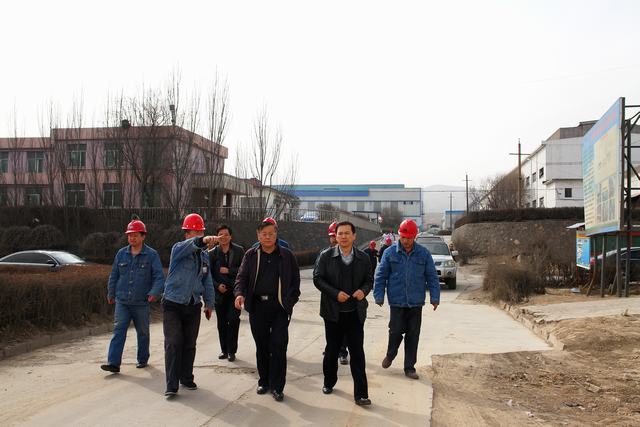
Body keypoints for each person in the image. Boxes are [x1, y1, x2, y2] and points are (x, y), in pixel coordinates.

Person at [234, 218, 301, 402]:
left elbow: (295, 281)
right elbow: (241, 277)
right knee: (262, 346)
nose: (268, 237)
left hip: (279, 307)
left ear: (276, 234)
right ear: (258, 236)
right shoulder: (251, 255)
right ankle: (264, 381)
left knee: (278, 346)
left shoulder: (287, 255)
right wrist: (239, 294)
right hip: (257, 307)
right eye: (264, 234)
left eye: (271, 233)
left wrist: (290, 301)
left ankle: (278, 387)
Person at [313, 221, 372, 406]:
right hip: (333, 313)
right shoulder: (326, 256)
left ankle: (361, 394)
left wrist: (364, 291)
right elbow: (317, 279)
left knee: (357, 352)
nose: (344, 236)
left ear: (354, 236)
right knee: (332, 350)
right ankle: (329, 382)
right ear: (335, 236)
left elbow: (369, 280)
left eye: (347, 233)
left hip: (355, 313)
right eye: (340, 233)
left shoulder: (363, 258)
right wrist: (334, 293)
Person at [373, 219, 440, 380]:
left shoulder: (423, 254)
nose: (406, 241)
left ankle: (409, 367)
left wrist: (435, 297)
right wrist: (379, 295)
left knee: (413, 335)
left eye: (409, 238)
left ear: (414, 237)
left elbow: (432, 277)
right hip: (397, 301)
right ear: (399, 236)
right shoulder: (390, 253)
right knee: (395, 331)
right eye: (403, 237)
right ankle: (391, 354)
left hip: (416, 302)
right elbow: (381, 275)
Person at [162, 213, 217, 397]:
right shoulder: (178, 249)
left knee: (189, 344)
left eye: (201, 232)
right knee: (173, 342)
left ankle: (186, 377)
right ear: (186, 233)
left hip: (193, 304)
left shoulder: (204, 257)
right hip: (173, 303)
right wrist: (202, 241)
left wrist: (209, 303)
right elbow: (192, 245)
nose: (199, 235)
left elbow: (207, 280)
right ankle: (171, 385)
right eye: (195, 232)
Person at [101, 219, 164, 373]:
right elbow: (114, 275)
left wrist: (154, 293)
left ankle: (142, 359)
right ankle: (113, 363)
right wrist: (111, 293)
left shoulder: (151, 255)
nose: (132, 238)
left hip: (141, 302)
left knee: (143, 332)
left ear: (143, 236)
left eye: (135, 235)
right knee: (119, 330)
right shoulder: (121, 254)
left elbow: (159, 277)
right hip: (122, 301)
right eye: (130, 235)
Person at [209, 225, 245, 362]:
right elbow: (207, 275)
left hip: (235, 292)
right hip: (219, 293)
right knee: (221, 322)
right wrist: (217, 286)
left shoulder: (239, 251)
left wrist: (229, 271)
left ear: (231, 236)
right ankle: (224, 350)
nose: (223, 237)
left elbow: (244, 271)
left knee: (233, 319)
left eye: (226, 234)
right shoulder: (212, 253)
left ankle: (232, 351)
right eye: (220, 234)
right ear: (217, 237)